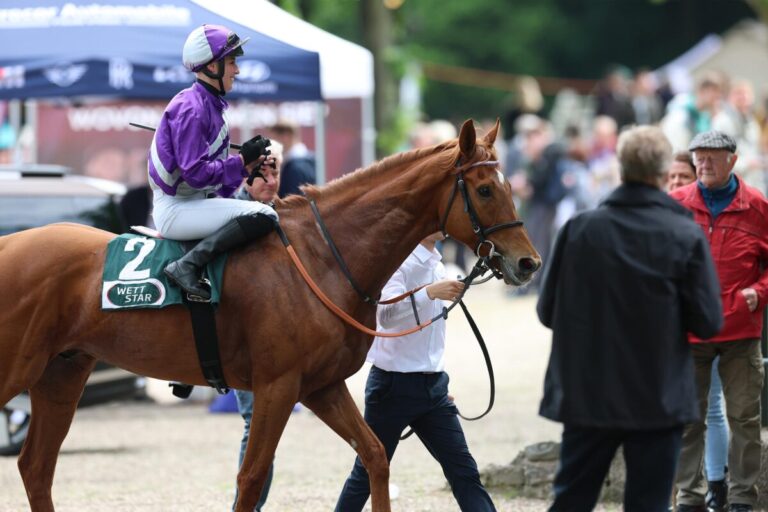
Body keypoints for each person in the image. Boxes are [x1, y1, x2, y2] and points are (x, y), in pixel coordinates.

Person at [537, 125, 723, 512]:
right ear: (661, 175)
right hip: (657, 392)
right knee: (649, 504)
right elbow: (707, 321)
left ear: (620, 170)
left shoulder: (578, 229)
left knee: (571, 500)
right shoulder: (684, 234)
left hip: (589, 391)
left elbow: (546, 310)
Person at [334, 232, 496, 512]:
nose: (442, 227)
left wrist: (435, 376)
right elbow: (385, 316)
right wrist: (429, 292)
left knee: (464, 472)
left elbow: (432, 333)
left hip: (433, 389)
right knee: (366, 473)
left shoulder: (436, 263)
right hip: (392, 387)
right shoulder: (400, 262)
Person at [671, 131, 768, 512]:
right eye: (699, 157)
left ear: (732, 159)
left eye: (712, 157)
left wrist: (759, 293)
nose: (704, 164)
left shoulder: (758, 207)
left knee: (745, 418)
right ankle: (689, 498)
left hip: (741, 330)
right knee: (687, 419)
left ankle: (743, 498)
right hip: (690, 331)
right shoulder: (676, 205)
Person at [148, 24, 278, 300]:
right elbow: (196, 174)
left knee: (264, 209)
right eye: (231, 62)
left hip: (191, 203)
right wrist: (240, 161)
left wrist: (246, 168)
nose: (237, 70)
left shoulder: (211, 106)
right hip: (176, 210)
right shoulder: (192, 108)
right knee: (265, 216)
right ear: (210, 66)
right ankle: (187, 266)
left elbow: (212, 185)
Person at [229, 140, 283, 512]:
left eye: (274, 171)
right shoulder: (232, 216)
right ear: (245, 178)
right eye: (260, 172)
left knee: (263, 427)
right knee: (258, 424)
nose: (268, 179)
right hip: (241, 339)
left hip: (279, 340)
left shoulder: (287, 215)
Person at [268, 119, 316, 198]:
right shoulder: (312, 160)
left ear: (286, 136)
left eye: (274, 139)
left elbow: (290, 201)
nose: (271, 145)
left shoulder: (294, 167)